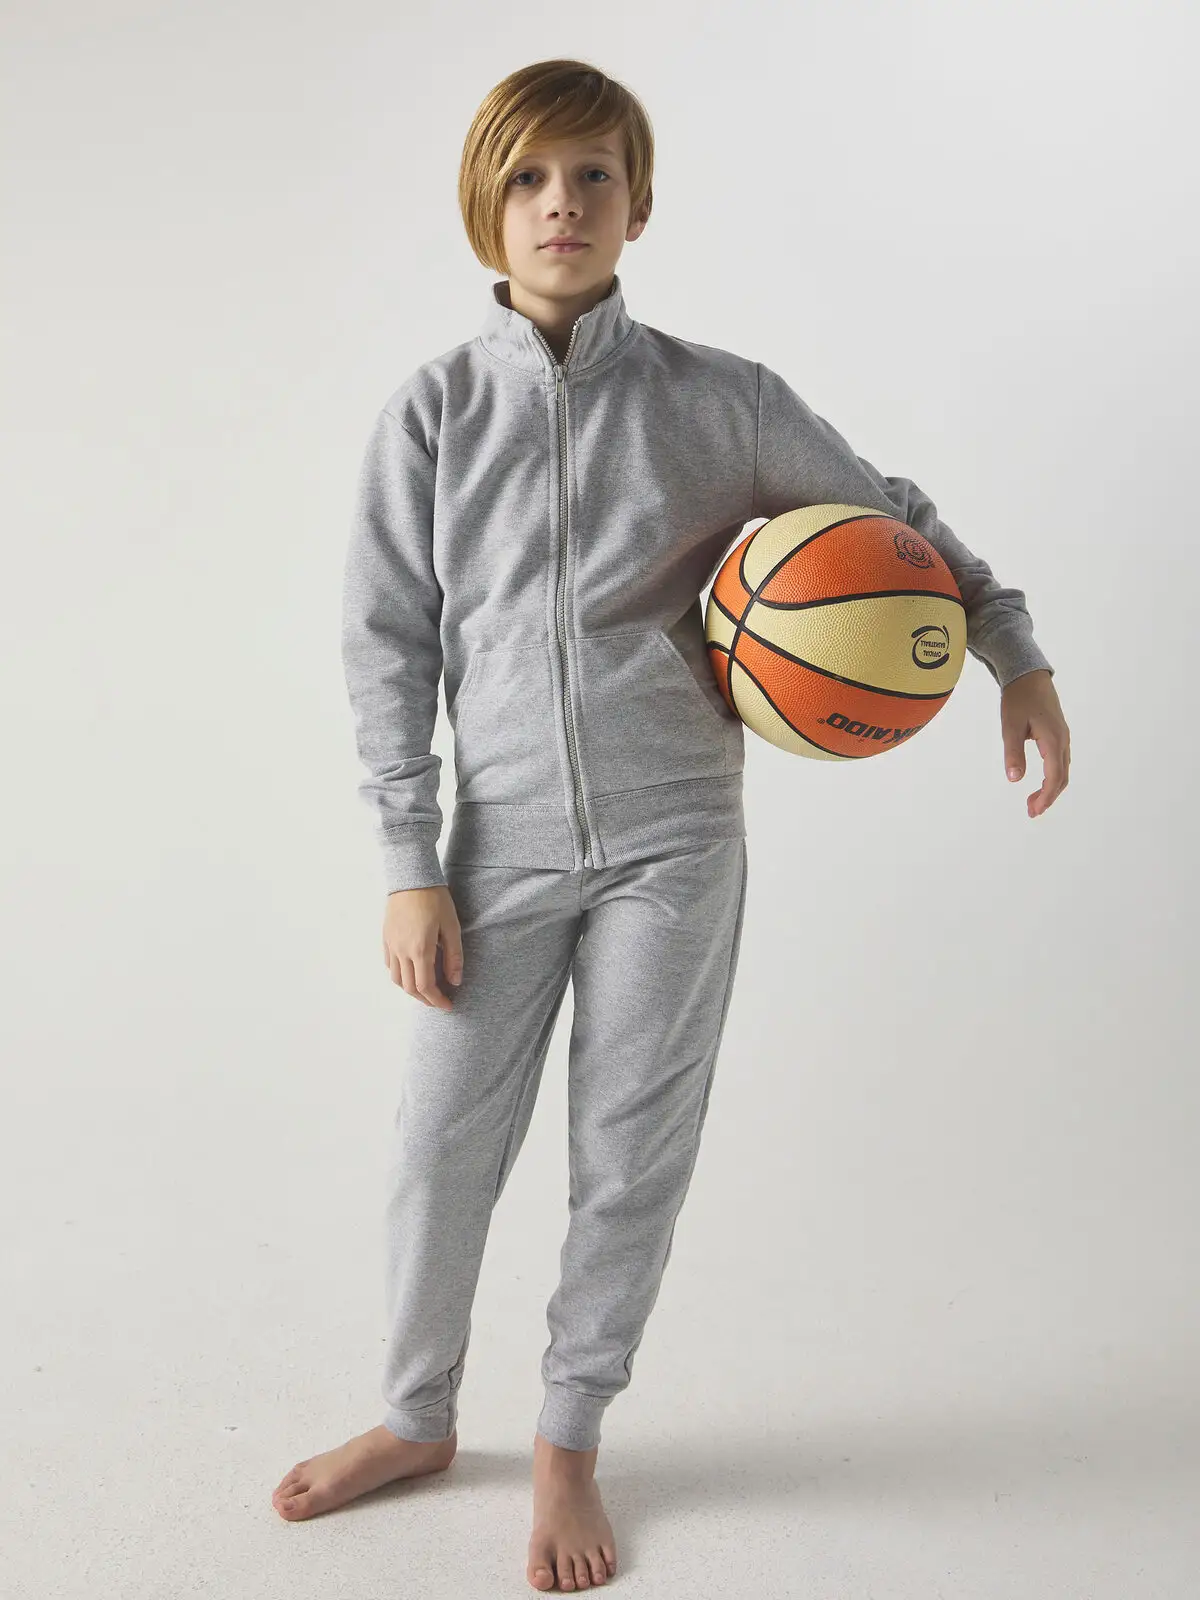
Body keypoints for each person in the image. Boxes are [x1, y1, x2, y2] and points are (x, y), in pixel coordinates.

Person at [271, 57, 1071, 1591]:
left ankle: (570, 1440)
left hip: (677, 843)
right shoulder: (434, 414)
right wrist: (406, 864)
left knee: (629, 1151)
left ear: (639, 205)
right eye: (529, 178)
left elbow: (891, 518)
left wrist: (1012, 654)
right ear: (485, 205)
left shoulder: (722, 401)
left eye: (594, 176)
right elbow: (388, 649)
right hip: (494, 849)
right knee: (439, 1145)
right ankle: (417, 1415)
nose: (562, 204)